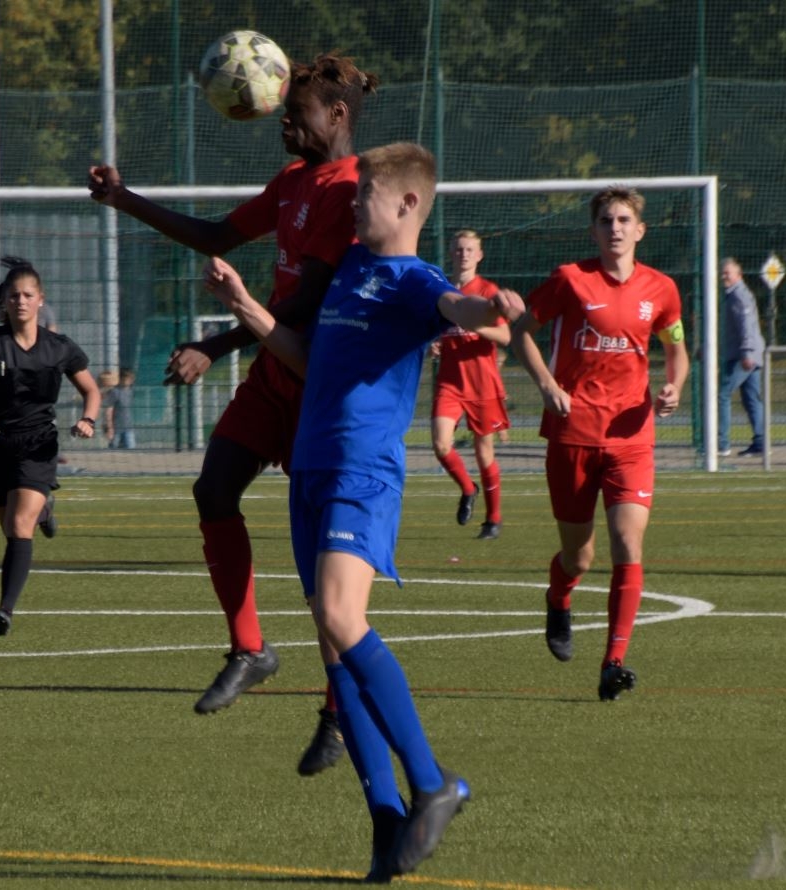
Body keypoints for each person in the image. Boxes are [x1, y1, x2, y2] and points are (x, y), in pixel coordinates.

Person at [203, 142, 526, 881]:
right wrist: (244, 305)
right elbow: (308, 360)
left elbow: (457, 308)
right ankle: (385, 821)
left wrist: (490, 309)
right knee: (331, 641)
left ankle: (434, 783)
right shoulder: (349, 266)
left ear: (407, 203)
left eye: (364, 195)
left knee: (342, 618)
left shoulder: (415, 280)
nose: (351, 205)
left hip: (362, 471)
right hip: (310, 467)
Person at [88, 53, 379, 775]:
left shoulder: (351, 191)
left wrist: (214, 345)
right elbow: (218, 236)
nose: (282, 123)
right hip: (273, 372)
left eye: (295, 113)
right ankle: (250, 648)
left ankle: (338, 714)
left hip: (317, 380)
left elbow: (304, 303)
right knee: (213, 489)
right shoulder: (293, 181)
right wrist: (125, 200)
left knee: (325, 571)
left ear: (337, 115)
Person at [509, 186, 689, 702]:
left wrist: (674, 386)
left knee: (628, 543)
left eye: (624, 219)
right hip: (573, 434)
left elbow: (676, 349)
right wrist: (547, 385)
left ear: (640, 230)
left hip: (631, 437)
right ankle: (559, 596)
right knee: (579, 556)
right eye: (606, 220)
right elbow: (521, 331)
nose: (615, 228)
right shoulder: (570, 279)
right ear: (593, 231)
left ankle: (614, 661)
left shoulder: (662, 289)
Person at [0, 257, 101, 636]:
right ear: (5, 301)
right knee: (11, 528)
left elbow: (91, 390)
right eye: (14, 295)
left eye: (28, 295)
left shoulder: (59, 347)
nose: (20, 301)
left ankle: (4, 610)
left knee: (19, 526)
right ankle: (44, 510)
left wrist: (88, 419)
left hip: (38, 445)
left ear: (40, 300)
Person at [430, 229, 512, 540]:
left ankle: (493, 520)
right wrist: (432, 343)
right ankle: (468, 488)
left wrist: (475, 326)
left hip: (481, 383)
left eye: (469, 249)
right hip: (450, 381)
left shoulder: (488, 291)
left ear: (479, 255)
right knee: (441, 444)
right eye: (459, 249)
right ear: (451, 253)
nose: (463, 254)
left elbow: (505, 336)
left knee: (484, 453)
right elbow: (434, 329)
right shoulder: (441, 289)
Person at [718, 257, 765, 457]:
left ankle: (722, 444)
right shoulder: (732, 295)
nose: (724, 276)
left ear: (739, 274)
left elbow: (747, 326)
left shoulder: (739, 296)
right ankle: (761, 442)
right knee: (751, 399)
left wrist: (746, 352)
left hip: (743, 356)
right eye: (722, 273)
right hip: (748, 354)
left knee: (721, 395)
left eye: (727, 273)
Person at [104, 367, 137, 448]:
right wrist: (110, 427)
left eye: (130, 379)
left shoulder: (131, 392)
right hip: (116, 427)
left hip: (128, 427)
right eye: (126, 378)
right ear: (121, 379)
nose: (128, 381)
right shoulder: (115, 392)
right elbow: (109, 410)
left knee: (131, 447)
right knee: (114, 448)